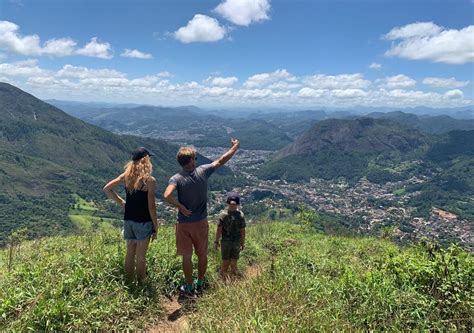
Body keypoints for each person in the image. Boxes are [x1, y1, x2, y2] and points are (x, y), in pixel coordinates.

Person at [163, 138, 240, 297]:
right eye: (195, 158)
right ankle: (200, 282)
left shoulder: (176, 178)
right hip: (201, 222)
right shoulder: (203, 171)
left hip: (184, 223)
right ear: (191, 160)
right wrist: (235, 147)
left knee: (186, 256)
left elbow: (167, 195)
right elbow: (221, 160)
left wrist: (180, 207)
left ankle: (189, 287)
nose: (196, 161)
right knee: (202, 254)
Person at [103, 147, 158, 282]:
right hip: (143, 222)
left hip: (128, 220)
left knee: (130, 253)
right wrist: (155, 226)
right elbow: (151, 206)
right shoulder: (149, 181)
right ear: (146, 160)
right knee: (140, 257)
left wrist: (122, 202)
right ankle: (141, 282)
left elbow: (107, 189)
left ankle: (129, 281)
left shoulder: (126, 176)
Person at [214, 192, 246, 278]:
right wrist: (216, 241)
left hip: (231, 242)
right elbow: (219, 230)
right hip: (229, 242)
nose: (232, 206)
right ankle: (226, 279)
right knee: (228, 263)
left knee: (230, 264)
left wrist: (216, 242)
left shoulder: (224, 215)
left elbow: (242, 231)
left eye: (233, 204)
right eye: (232, 204)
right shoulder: (238, 215)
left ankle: (229, 280)